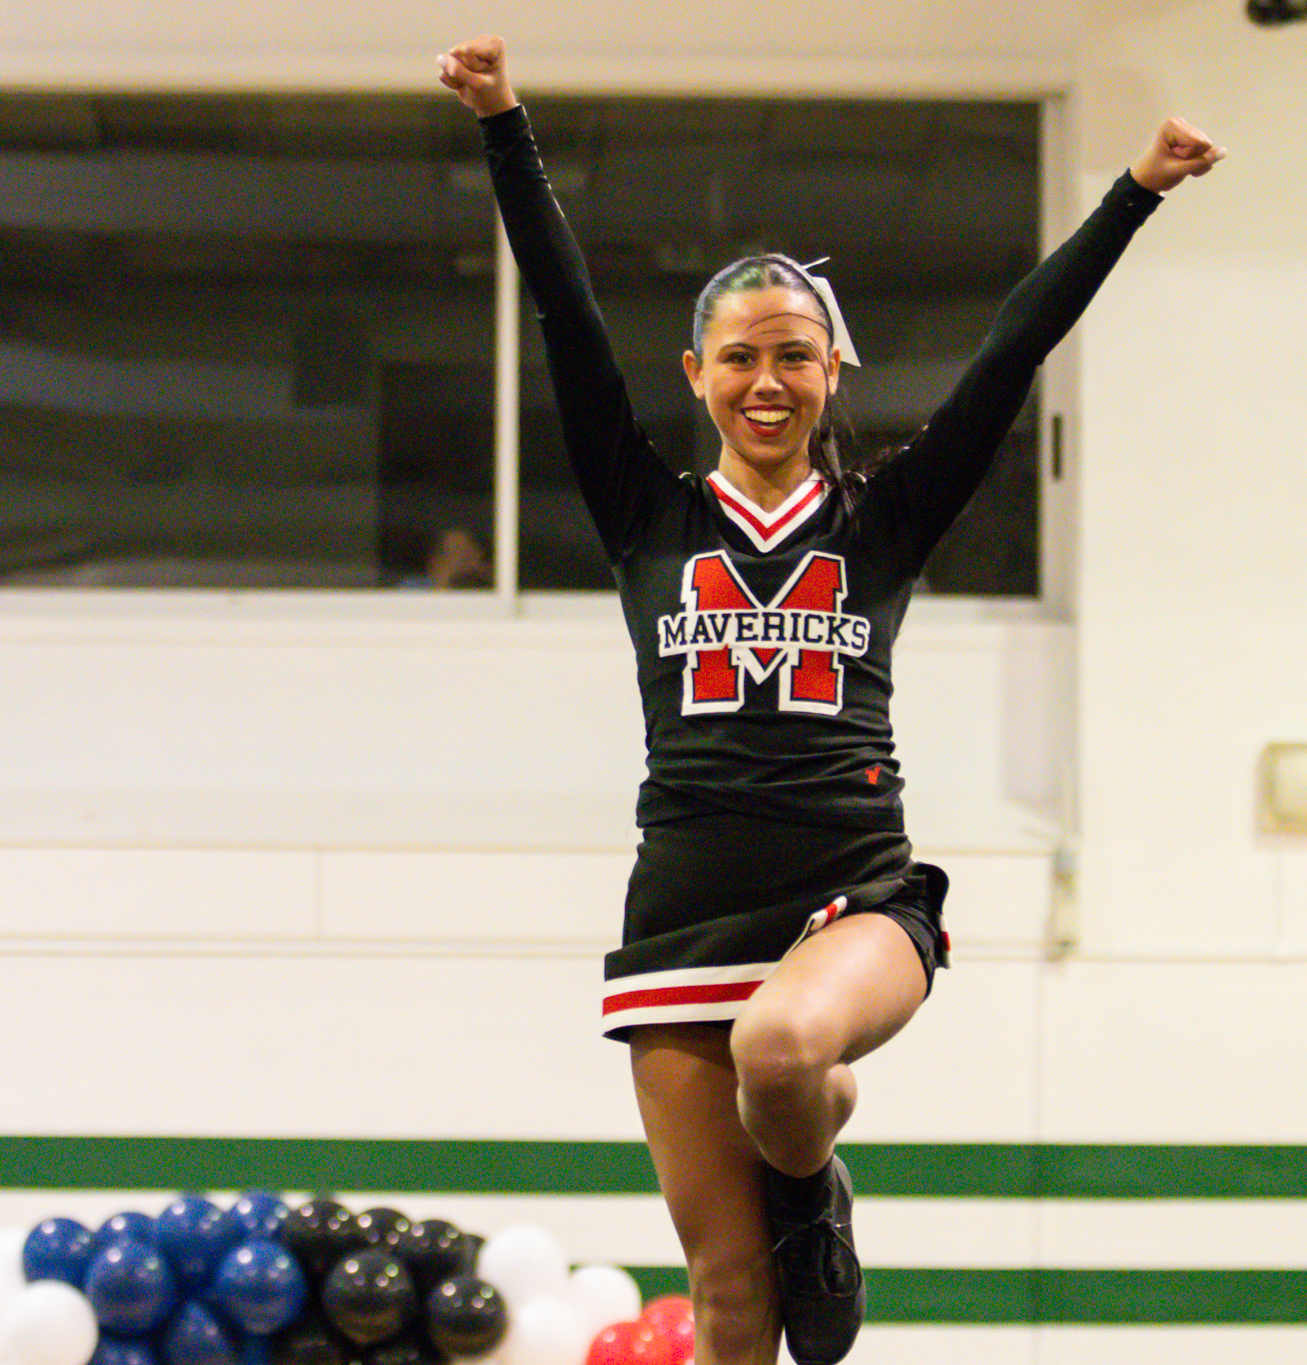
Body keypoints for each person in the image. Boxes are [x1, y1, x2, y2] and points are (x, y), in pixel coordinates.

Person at [438, 36, 1221, 1365]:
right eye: (739, 355)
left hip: (851, 895)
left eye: (795, 355)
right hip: (684, 914)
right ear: (696, 375)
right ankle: (792, 1160)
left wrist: (1134, 190)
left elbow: (1011, 349)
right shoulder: (646, 517)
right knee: (732, 1302)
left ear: (831, 373)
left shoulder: (882, 516)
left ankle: (811, 1181)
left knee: (788, 1046)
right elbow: (569, 321)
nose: (765, 380)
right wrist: (507, 124)